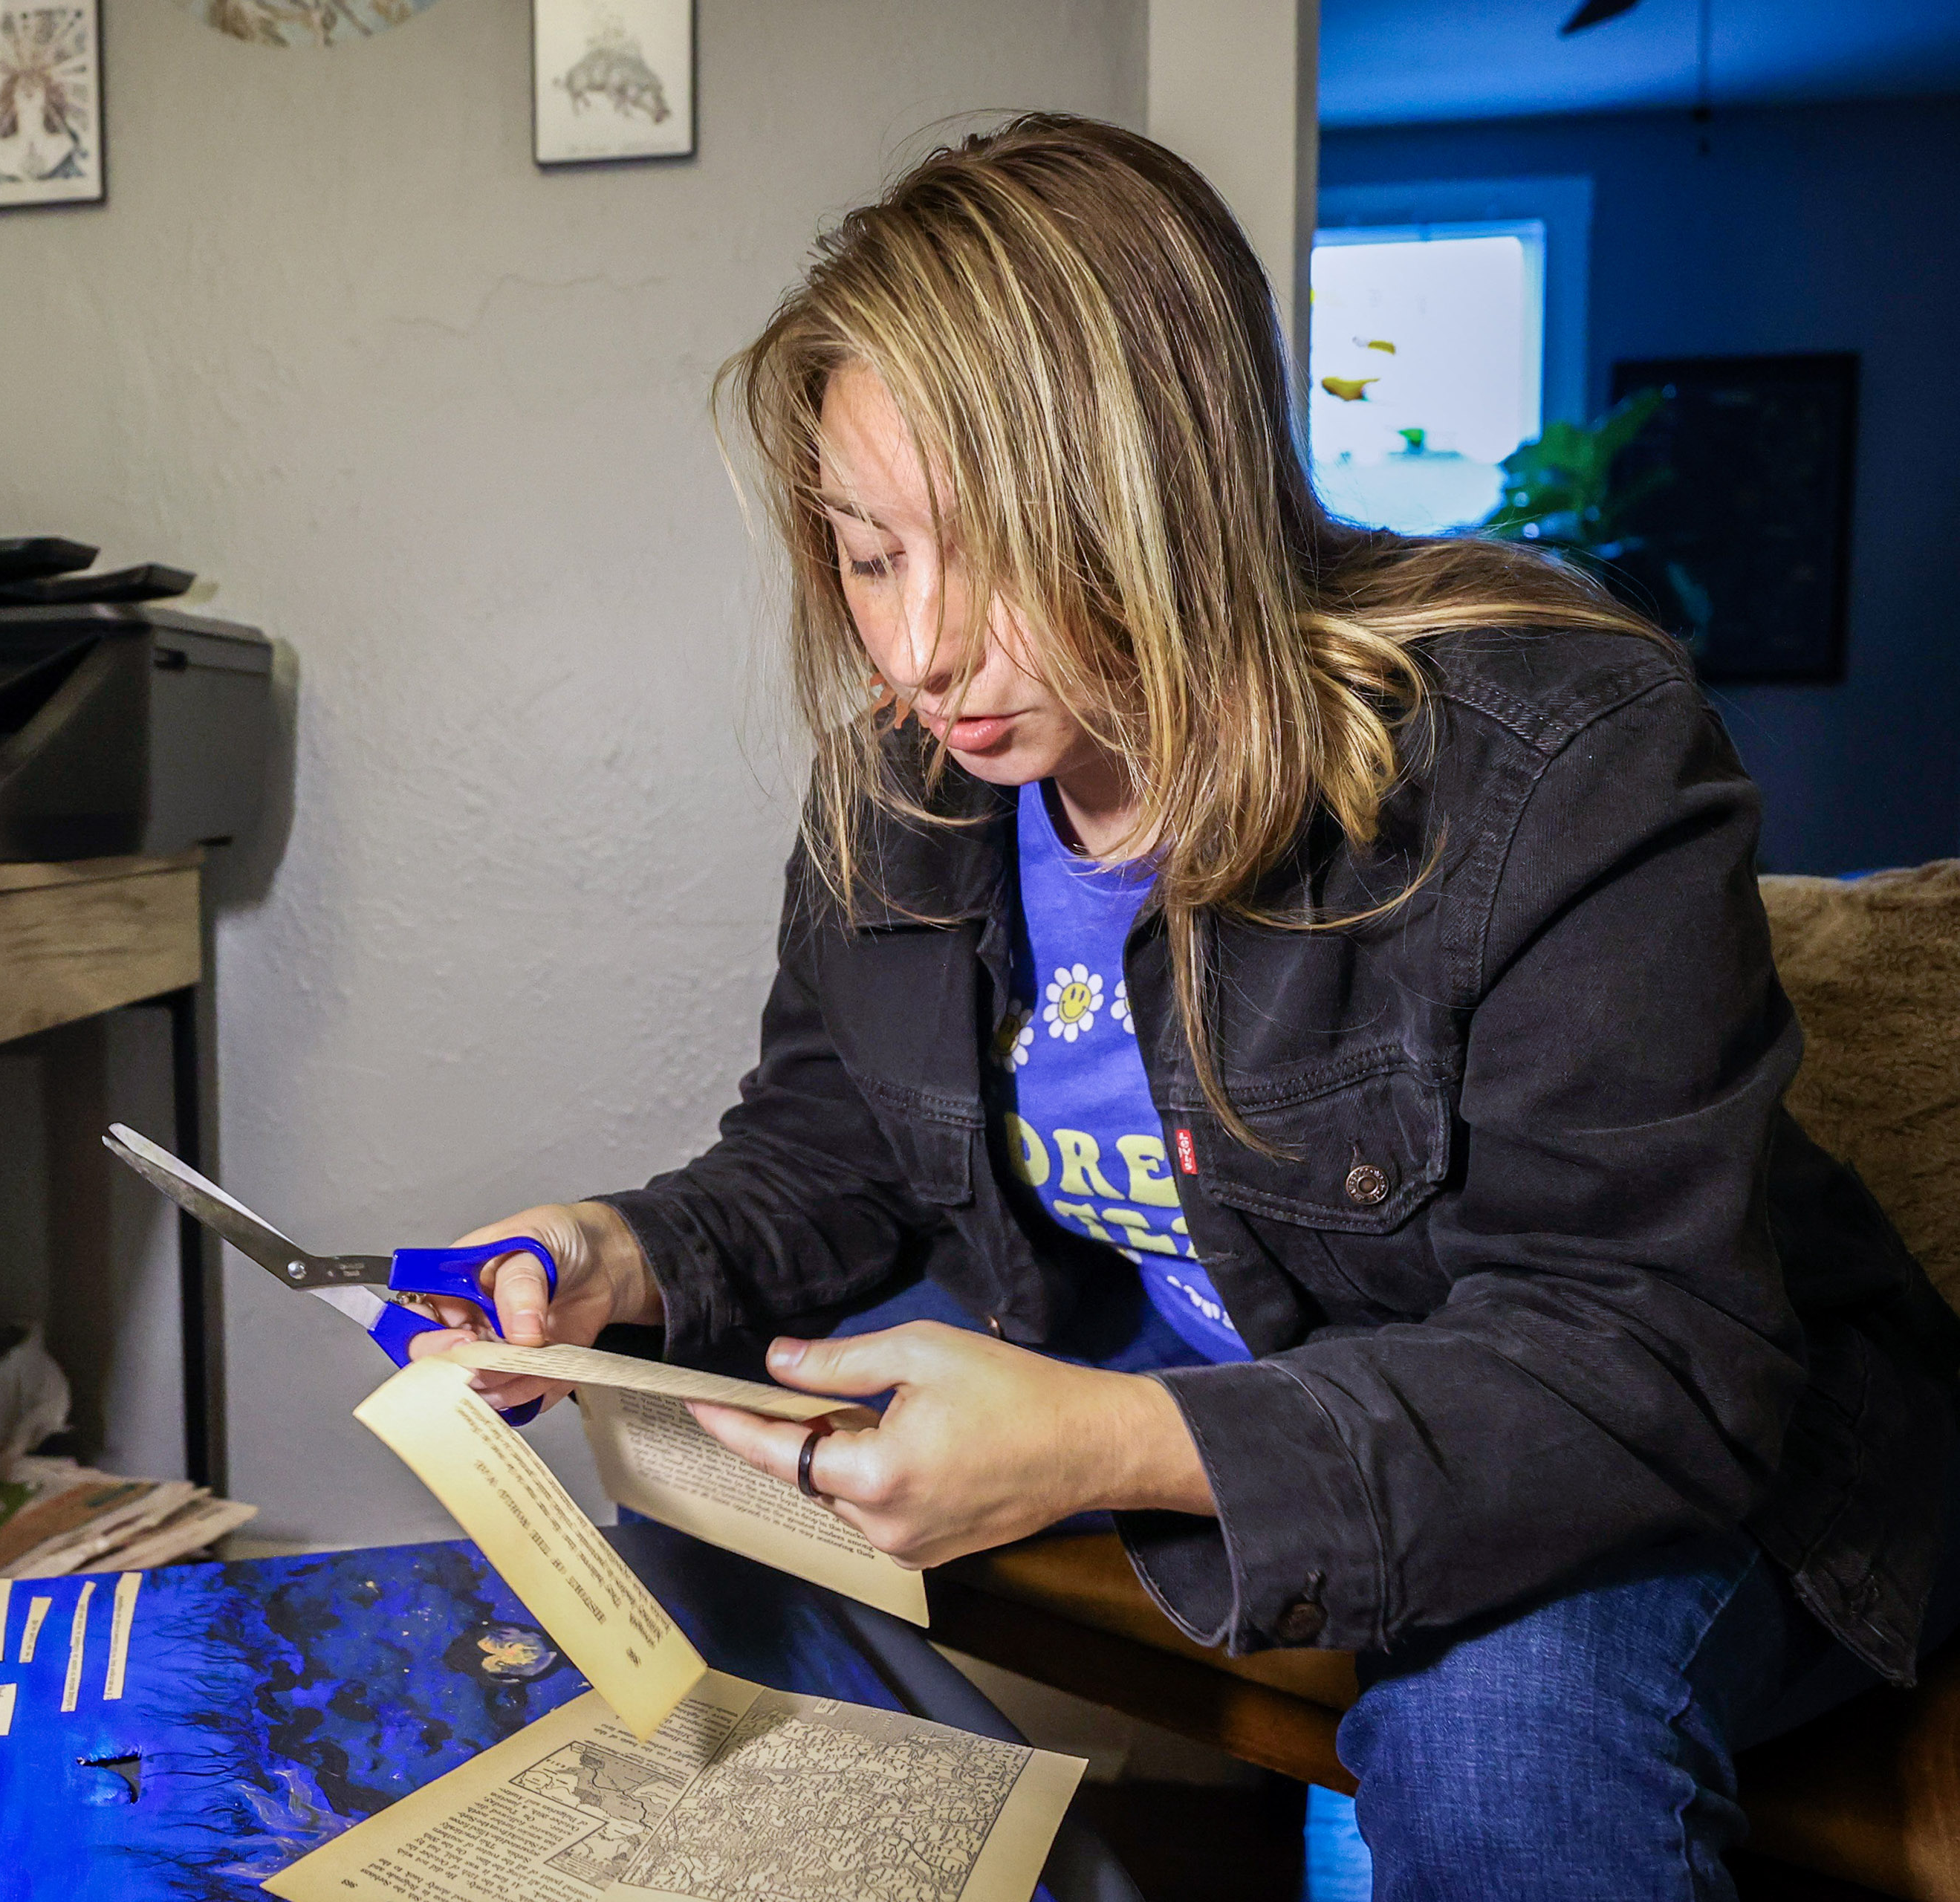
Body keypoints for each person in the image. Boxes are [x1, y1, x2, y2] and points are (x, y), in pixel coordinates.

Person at [406, 114, 1960, 1897]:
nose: (921, 651)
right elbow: (834, 1143)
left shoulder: (1561, 750)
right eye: (870, 553)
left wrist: (1107, 1441)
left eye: (987, 544)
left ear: (1166, 493)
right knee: (680, 1487)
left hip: (1648, 1437)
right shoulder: (901, 799)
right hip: (1214, 1350)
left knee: (1500, 1742)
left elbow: (1648, 1360)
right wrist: (620, 1253)